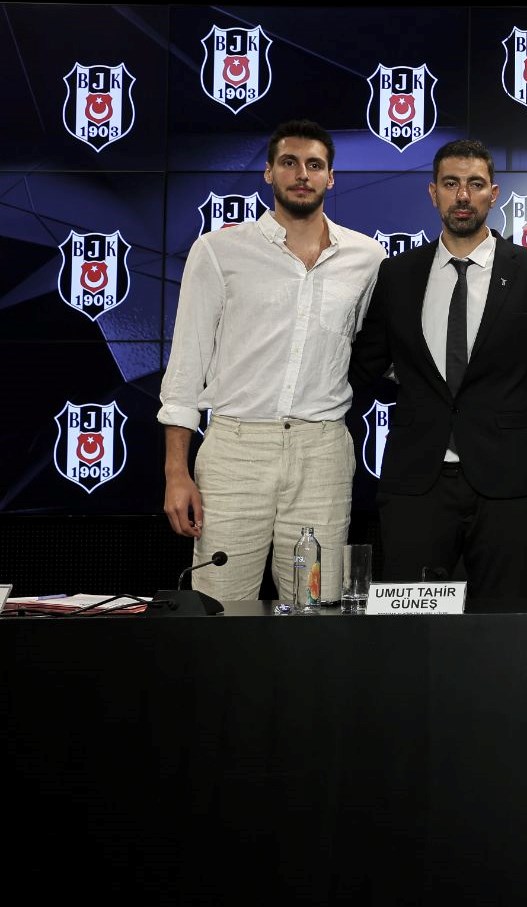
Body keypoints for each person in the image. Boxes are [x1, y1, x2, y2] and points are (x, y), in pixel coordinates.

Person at [159, 119, 384, 603]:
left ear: (331, 178)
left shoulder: (368, 257)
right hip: (235, 450)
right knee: (218, 609)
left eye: (314, 165)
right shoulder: (219, 251)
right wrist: (176, 472)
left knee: (316, 612)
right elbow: (185, 368)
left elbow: (377, 349)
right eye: (289, 162)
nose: (302, 174)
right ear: (268, 173)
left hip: (323, 452)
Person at [349, 138, 527, 599]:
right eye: (451, 184)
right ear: (433, 193)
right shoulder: (398, 274)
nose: (463, 196)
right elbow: (362, 366)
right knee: (410, 626)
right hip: (417, 482)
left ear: (494, 193)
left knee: (504, 625)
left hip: (507, 487)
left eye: (475, 184)